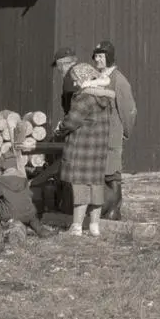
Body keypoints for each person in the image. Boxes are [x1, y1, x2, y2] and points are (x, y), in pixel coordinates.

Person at [55, 62, 114, 237]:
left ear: (83, 78)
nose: (76, 83)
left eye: (76, 79)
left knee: (80, 187)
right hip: (98, 149)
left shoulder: (84, 97)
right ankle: (94, 226)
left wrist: (60, 128)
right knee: (96, 185)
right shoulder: (105, 98)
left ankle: (76, 227)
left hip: (82, 149)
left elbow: (72, 121)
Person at [93, 40, 136, 221]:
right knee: (101, 170)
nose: (98, 60)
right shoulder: (96, 78)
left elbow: (129, 110)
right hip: (98, 133)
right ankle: (102, 208)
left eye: (101, 56)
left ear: (109, 58)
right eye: (96, 56)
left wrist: (125, 131)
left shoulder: (119, 80)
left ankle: (115, 210)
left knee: (113, 171)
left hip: (112, 132)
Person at [0, 152, 52, 239]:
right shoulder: (24, 179)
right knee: (31, 215)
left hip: (9, 214)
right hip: (28, 212)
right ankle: (40, 230)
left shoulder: (0, 181)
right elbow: (29, 196)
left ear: (2, 166)